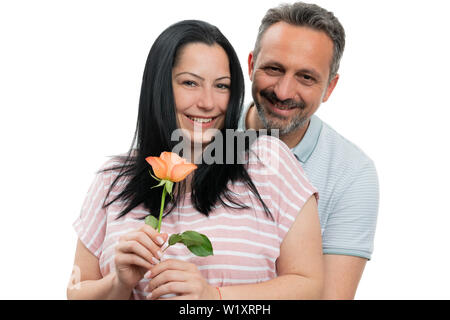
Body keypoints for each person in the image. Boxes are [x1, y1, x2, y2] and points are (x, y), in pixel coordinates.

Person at [67, 19, 323, 300]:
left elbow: (308, 287)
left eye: (222, 86)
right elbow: (76, 291)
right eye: (190, 83)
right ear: (160, 86)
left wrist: (214, 297)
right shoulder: (113, 178)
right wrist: (118, 283)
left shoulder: (269, 161)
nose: (208, 102)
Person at [239, 2, 379, 299]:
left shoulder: (352, 175)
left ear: (330, 87)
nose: (284, 91)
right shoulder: (197, 130)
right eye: (274, 69)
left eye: (306, 77)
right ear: (251, 65)